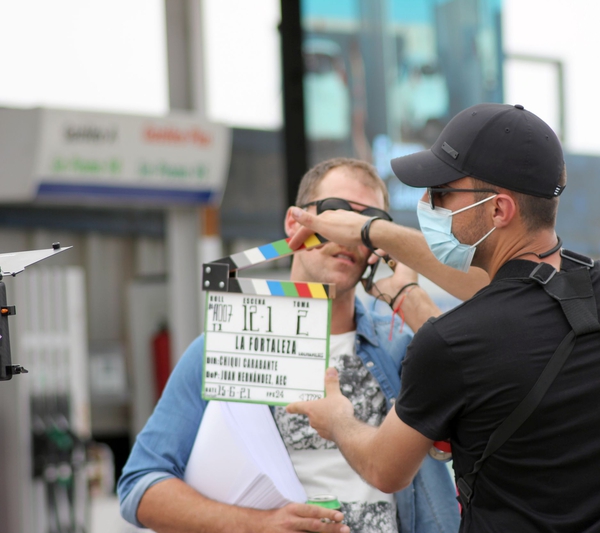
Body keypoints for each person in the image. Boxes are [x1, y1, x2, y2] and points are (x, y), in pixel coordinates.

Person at [287, 104, 600, 532]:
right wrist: (373, 236)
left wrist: (336, 418)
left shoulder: (452, 344)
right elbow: (522, 295)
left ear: (498, 210)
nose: (426, 203)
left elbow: (383, 469)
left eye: (442, 193)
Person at [117, 158, 460, 533]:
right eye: (336, 213)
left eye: (366, 226)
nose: (348, 235)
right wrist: (259, 525)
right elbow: (140, 486)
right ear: (295, 223)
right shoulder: (226, 345)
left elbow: (477, 383)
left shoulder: (400, 347)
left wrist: (408, 299)